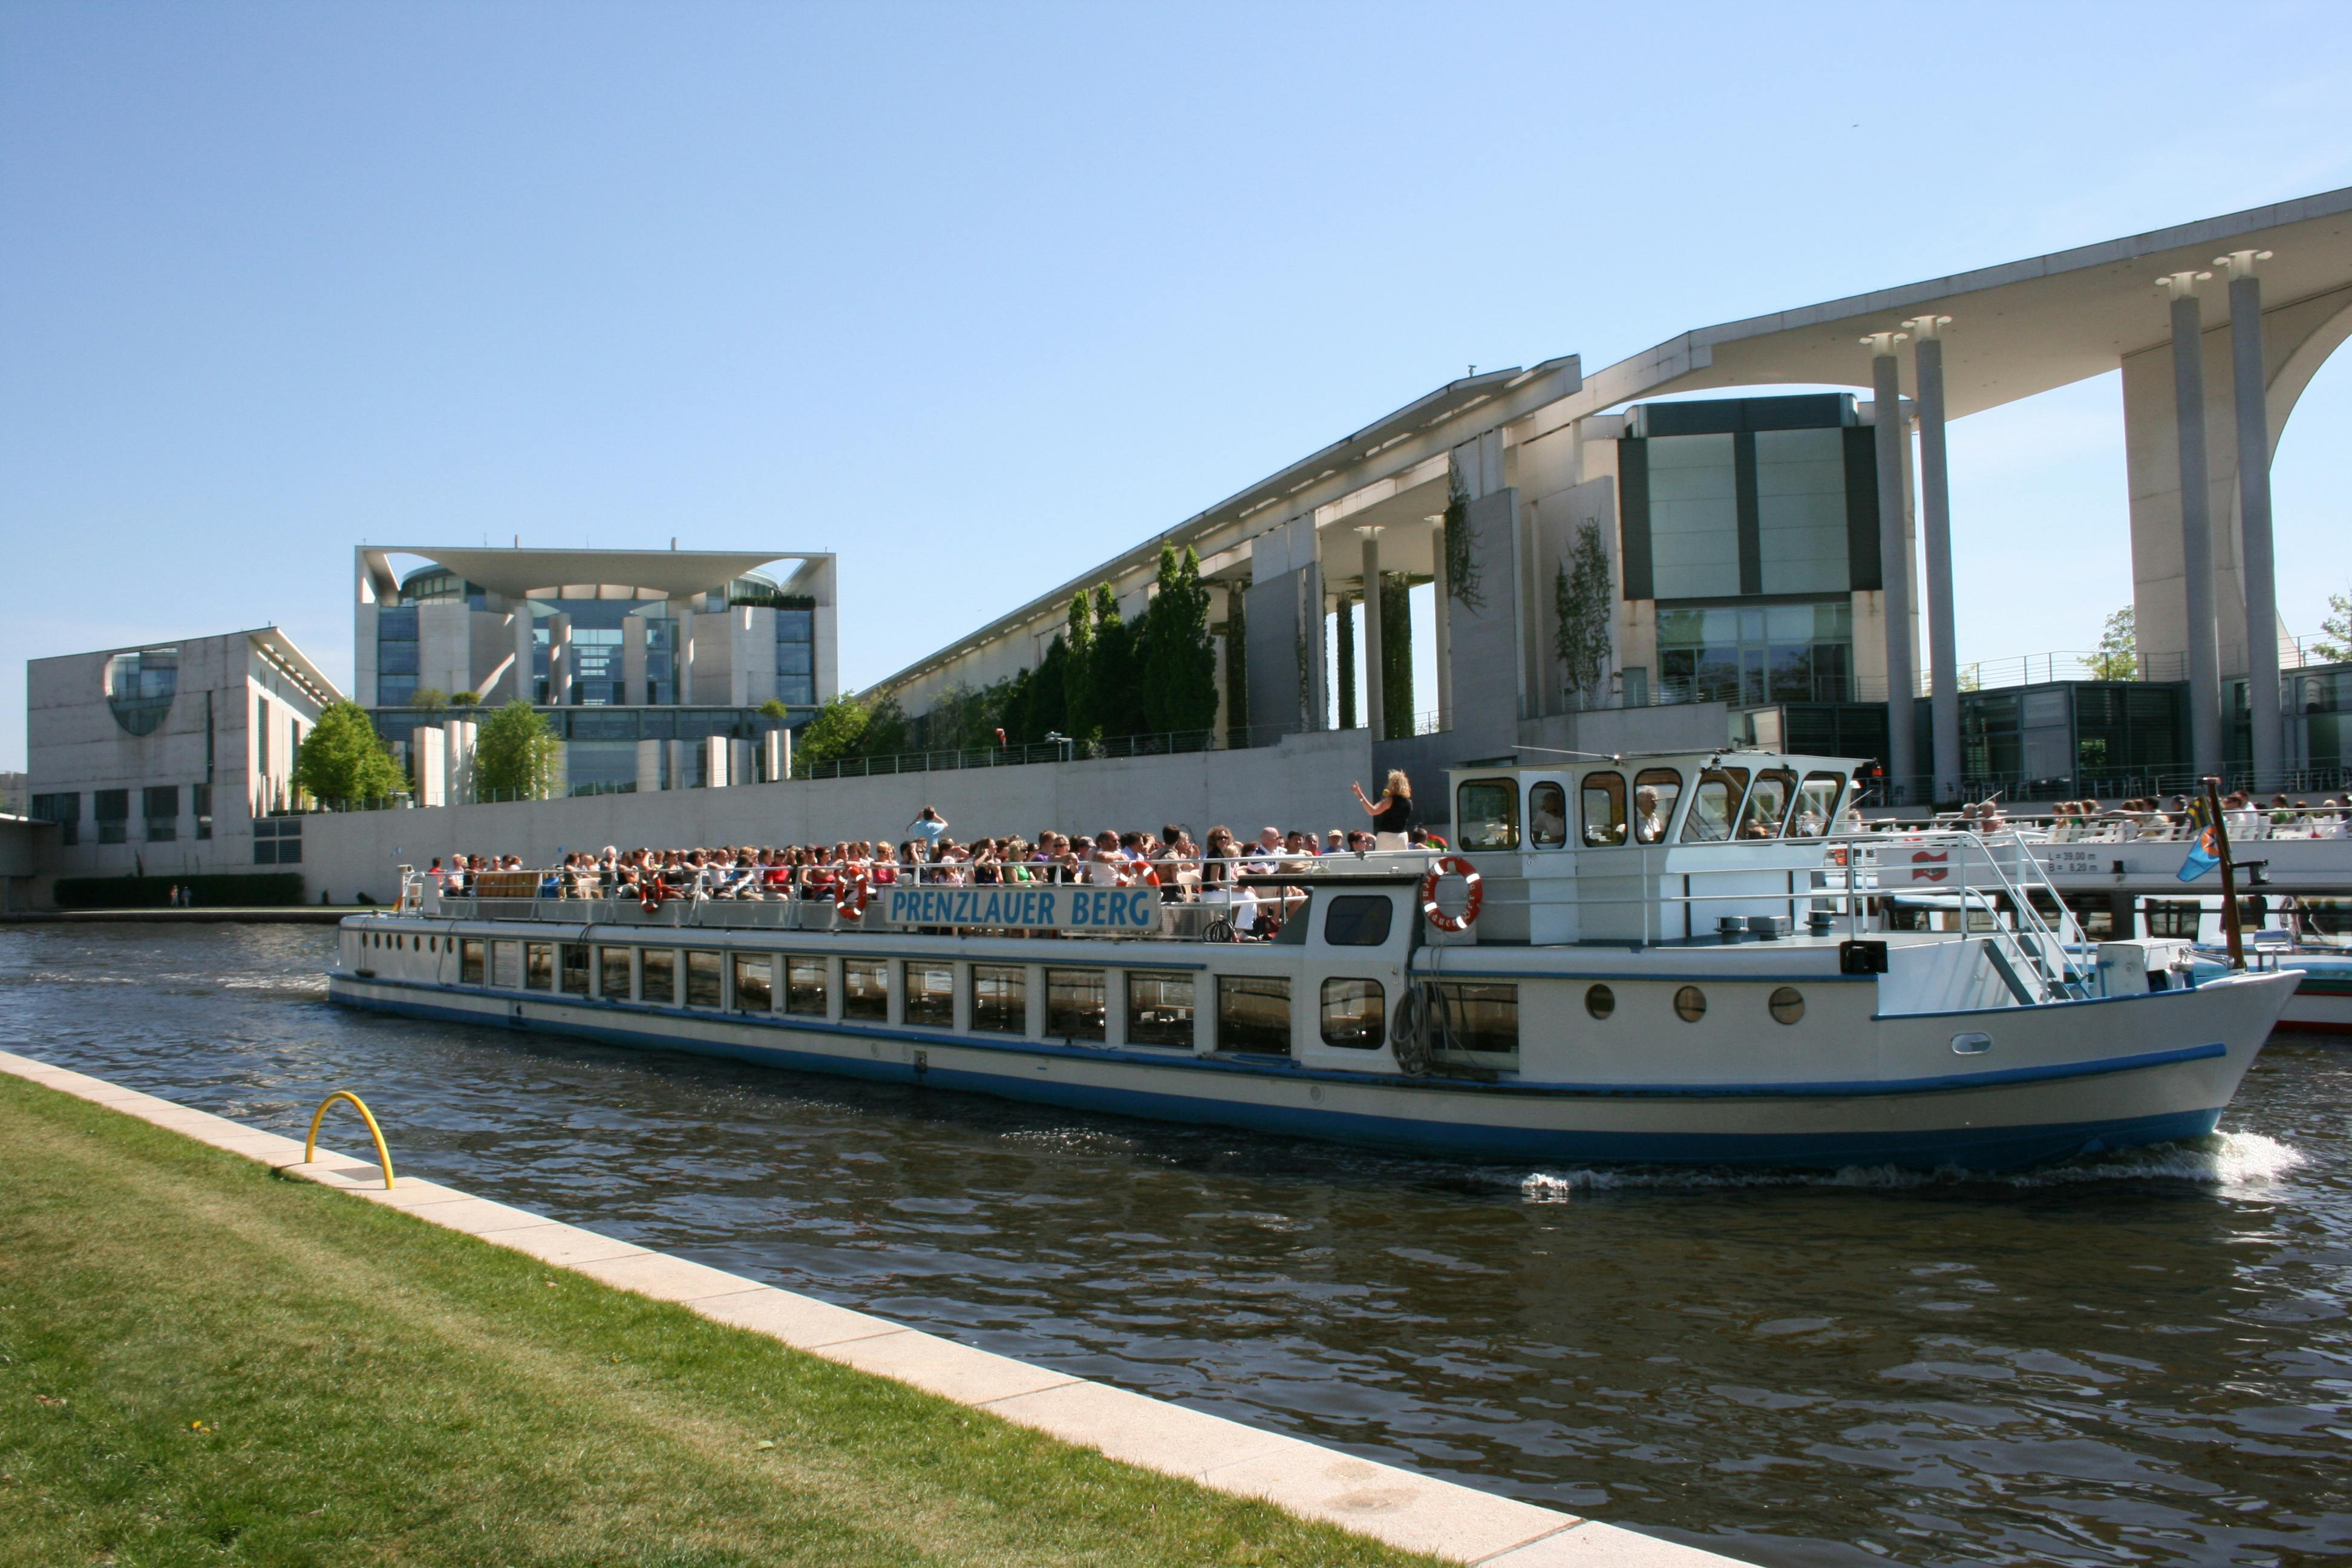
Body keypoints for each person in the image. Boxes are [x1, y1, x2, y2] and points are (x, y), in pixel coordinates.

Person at [1353, 769, 1416, 850]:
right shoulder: (1409, 803)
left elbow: (1372, 811)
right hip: (1402, 837)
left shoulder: (1389, 801)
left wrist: (1360, 795)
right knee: (1401, 862)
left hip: (1386, 836)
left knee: (1382, 861)